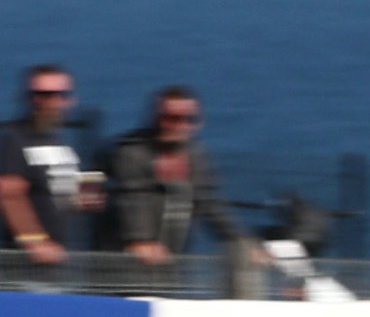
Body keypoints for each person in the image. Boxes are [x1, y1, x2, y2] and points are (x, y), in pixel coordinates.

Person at [98, 85, 250, 264]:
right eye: (170, 118)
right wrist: (141, 238)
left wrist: (242, 242)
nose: (179, 125)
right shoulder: (130, 151)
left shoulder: (197, 156)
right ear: (154, 118)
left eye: (188, 119)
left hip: (172, 259)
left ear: (199, 123)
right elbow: (133, 197)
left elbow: (210, 203)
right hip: (123, 262)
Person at [0, 64, 101, 264]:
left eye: (60, 94)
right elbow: (9, 194)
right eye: (43, 95)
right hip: (23, 265)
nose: (52, 102)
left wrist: (85, 199)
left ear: (70, 99)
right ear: (29, 98)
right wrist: (34, 241)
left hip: (60, 260)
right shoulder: (15, 140)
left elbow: (62, 193)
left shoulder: (63, 142)